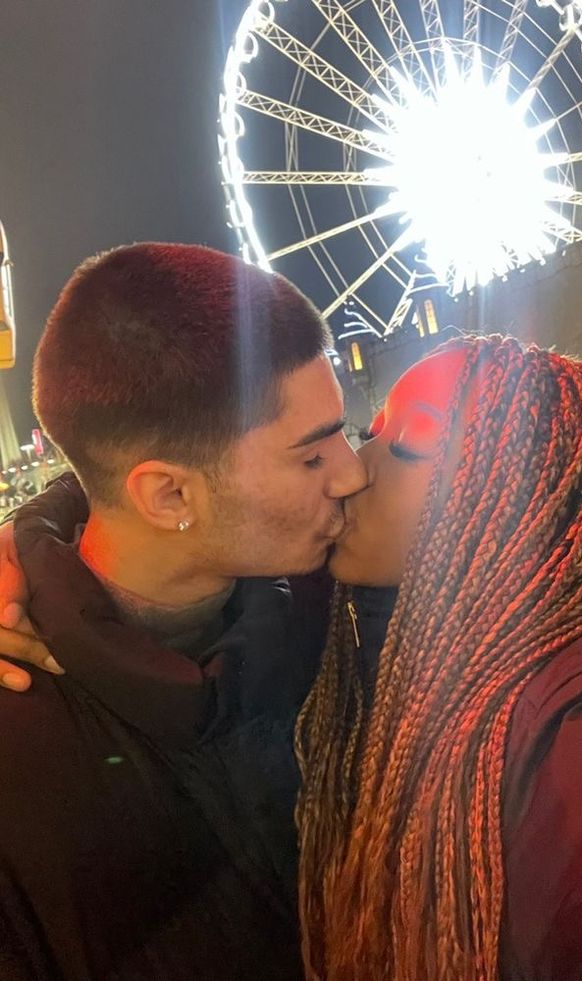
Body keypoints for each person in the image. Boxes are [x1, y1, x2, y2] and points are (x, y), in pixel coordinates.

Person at [296, 335, 582, 980]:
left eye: (411, 443)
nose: (357, 470)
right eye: (373, 431)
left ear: (519, 497)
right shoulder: (460, 652)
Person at [0, 242, 365, 980]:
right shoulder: (20, 740)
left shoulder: (344, 599)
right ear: (169, 496)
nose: (352, 473)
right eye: (311, 455)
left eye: (345, 434)